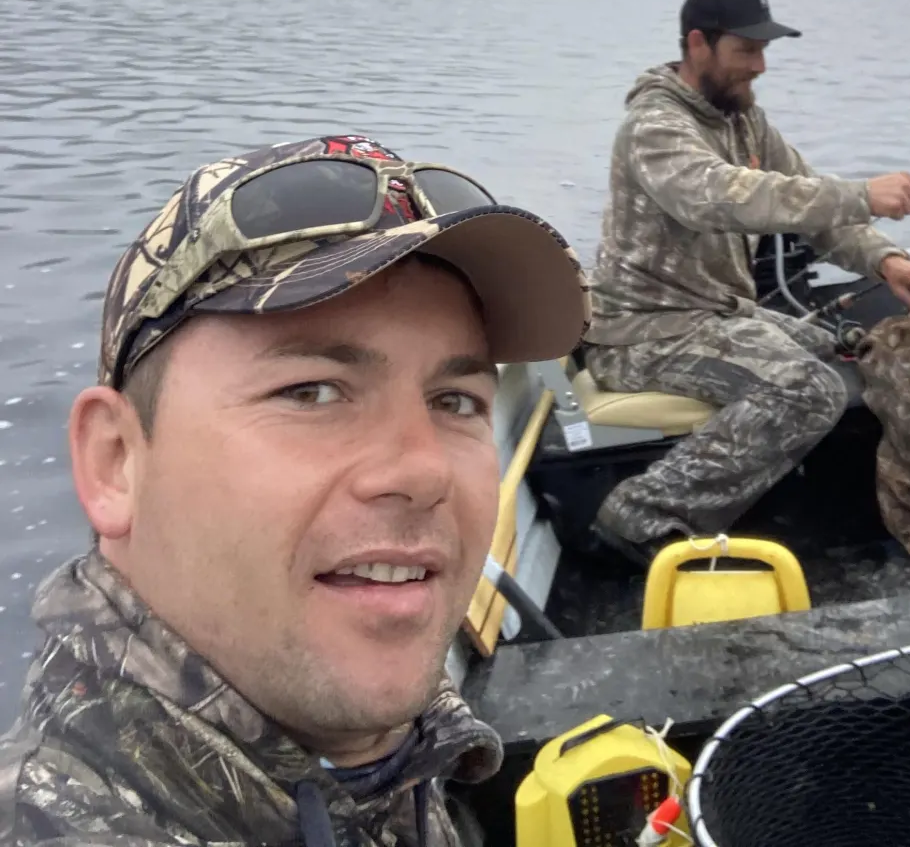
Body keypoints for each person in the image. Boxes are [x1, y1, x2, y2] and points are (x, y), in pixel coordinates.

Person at [0, 135, 588, 847]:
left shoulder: (385, 756)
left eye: (455, 400)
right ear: (115, 461)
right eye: (311, 391)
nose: (423, 471)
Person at [585, 0, 910, 558]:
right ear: (698, 44)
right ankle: (639, 515)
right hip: (643, 330)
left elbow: (809, 208)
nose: (759, 66)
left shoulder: (745, 120)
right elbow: (719, 196)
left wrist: (888, 260)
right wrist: (859, 193)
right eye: (745, 50)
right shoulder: (654, 126)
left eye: (763, 50)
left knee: (836, 351)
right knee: (807, 391)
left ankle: (779, 495)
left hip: (715, 313)